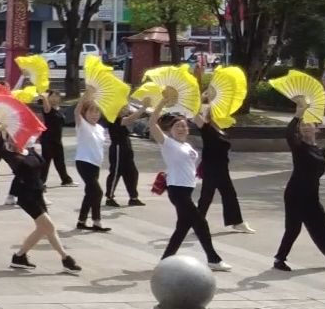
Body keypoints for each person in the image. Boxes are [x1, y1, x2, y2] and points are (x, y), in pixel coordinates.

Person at [274, 97, 325, 272]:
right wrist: (299, 114)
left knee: (323, 226)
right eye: (302, 126)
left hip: (311, 195)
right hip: (295, 194)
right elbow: (289, 133)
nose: (305, 127)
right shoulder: (298, 147)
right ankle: (279, 259)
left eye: (309, 125)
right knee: (293, 229)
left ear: (316, 129)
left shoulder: (320, 150)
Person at [149, 108, 228, 271]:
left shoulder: (187, 145)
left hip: (187, 190)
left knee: (182, 228)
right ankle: (213, 258)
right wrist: (162, 103)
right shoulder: (167, 143)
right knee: (200, 223)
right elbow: (152, 123)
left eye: (184, 126)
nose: (181, 129)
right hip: (177, 190)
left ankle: (165, 260)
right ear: (170, 130)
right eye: (177, 126)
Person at [0, 124, 78, 272]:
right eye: (13, 138)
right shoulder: (11, 155)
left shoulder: (30, 150)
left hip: (38, 193)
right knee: (50, 227)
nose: (16, 139)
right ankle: (65, 258)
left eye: (18, 136)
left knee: (43, 229)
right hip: (26, 196)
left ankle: (19, 257)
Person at [195, 108, 253, 234]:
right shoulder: (206, 128)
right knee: (206, 196)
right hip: (211, 167)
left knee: (229, 195)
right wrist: (201, 103)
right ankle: (197, 223)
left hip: (222, 168)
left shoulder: (222, 130)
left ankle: (237, 222)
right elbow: (195, 115)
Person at [71, 94, 111, 234]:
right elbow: (76, 111)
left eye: (97, 111)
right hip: (84, 162)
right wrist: (85, 96)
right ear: (85, 112)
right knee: (98, 192)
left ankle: (81, 221)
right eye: (91, 111)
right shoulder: (82, 125)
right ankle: (97, 221)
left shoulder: (100, 128)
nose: (95, 114)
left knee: (90, 193)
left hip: (95, 164)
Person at [104, 105, 145, 207]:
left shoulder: (123, 117)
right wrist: (144, 107)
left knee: (132, 173)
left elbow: (132, 118)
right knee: (115, 173)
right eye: (121, 108)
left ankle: (133, 198)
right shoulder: (113, 118)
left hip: (126, 149)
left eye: (125, 108)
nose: (124, 110)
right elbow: (129, 120)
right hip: (118, 149)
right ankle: (109, 197)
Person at [37, 91, 74, 187]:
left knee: (60, 161)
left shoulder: (59, 110)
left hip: (57, 139)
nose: (54, 98)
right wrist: (44, 97)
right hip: (47, 140)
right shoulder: (47, 109)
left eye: (56, 96)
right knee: (46, 162)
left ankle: (66, 180)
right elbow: (47, 107)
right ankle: (40, 182)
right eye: (52, 96)